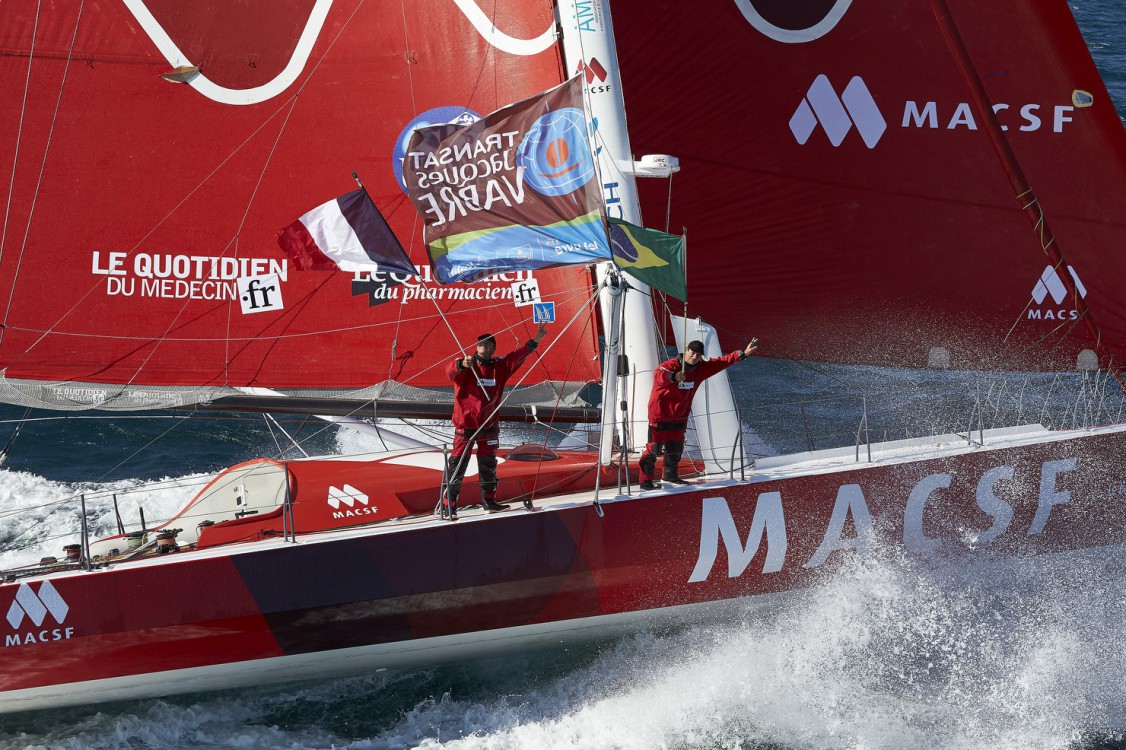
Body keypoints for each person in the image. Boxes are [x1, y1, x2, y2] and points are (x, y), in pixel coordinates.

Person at [442, 324, 547, 519]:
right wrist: (461, 365)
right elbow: (450, 372)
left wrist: (537, 340)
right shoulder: (466, 364)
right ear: (477, 347)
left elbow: (518, 356)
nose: (485, 347)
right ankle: (448, 505)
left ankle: (489, 502)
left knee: (488, 465)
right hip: (466, 428)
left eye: (489, 344)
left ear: (494, 348)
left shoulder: (500, 367)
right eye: (482, 344)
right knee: (457, 465)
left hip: (489, 427)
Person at [639, 337, 758, 491]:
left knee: (675, 449)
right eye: (692, 352)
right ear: (686, 350)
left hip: (680, 417)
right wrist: (674, 377)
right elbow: (660, 377)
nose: (694, 357)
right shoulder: (669, 366)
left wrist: (743, 354)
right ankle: (645, 483)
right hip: (660, 416)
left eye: (698, 355)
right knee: (653, 451)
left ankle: (670, 476)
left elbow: (720, 362)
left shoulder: (700, 369)